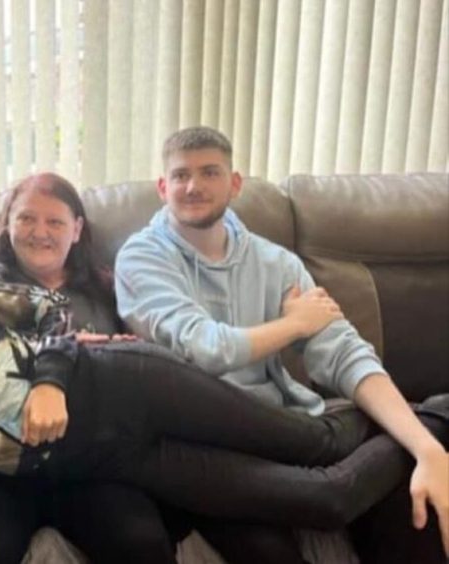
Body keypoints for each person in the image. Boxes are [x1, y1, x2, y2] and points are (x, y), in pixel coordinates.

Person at [0, 243, 403, 535]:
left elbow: (50, 309)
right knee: (324, 499)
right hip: (114, 461)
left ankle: (415, 422)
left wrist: (48, 385)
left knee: (314, 442)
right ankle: (433, 426)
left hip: (126, 387)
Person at [114, 125, 449, 561]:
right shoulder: (141, 257)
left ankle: (432, 426)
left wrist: (427, 450)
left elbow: (343, 353)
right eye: (180, 176)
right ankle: (440, 415)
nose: (193, 186)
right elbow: (203, 349)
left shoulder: (275, 262)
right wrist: (294, 326)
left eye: (210, 172)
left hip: (283, 428)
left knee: (411, 504)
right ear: (163, 187)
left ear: (235, 184)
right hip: (202, 443)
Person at [0, 172, 177, 563]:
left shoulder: (105, 287)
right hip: (0, 466)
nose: (41, 232)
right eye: (26, 219)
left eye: (55, 221)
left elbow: (142, 367)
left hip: (92, 464)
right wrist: (64, 349)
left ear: (77, 230)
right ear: (6, 225)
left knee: (142, 542)